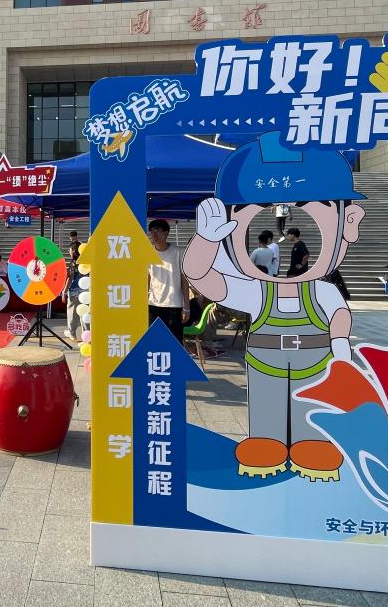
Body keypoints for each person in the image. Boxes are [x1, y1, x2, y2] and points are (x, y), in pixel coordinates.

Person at [183, 131, 366, 484]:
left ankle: (311, 442)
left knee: (310, 403)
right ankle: (266, 440)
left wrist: (341, 347)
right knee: (267, 404)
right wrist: (206, 240)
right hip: (264, 362)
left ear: (350, 222)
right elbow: (201, 275)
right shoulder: (255, 292)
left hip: (316, 360)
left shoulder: (322, 292)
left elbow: (339, 316)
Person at [147, 219, 190, 343]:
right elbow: (147, 278)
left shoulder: (179, 252)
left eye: (157, 231)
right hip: (153, 304)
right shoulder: (148, 253)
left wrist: (186, 307)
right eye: (151, 231)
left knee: (174, 341)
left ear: (166, 233)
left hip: (174, 304)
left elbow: (184, 280)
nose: (154, 234)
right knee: (154, 340)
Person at [63, 242, 83, 341]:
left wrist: (64, 292)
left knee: (72, 312)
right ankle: (87, 334)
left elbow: (70, 278)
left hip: (74, 292)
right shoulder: (86, 262)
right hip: (85, 292)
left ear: (74, 251)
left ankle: (72, 333)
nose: (69, 251)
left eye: (70, 249)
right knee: (84, 313)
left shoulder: (73, 263)